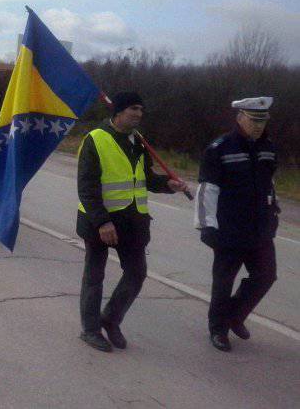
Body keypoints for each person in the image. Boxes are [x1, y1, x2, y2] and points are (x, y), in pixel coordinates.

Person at [76, 91, 188, 352]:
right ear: (118, 112)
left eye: (141, 109)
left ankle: (111, 318)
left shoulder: (138, 140)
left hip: (132, 222)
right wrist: (103, 222)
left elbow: (144, 178)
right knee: (94, 276)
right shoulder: (95, 140)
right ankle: (90, 330)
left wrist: (167, 184)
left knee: (137, 273)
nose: (139, 114)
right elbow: (87, 187)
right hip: (99, 222)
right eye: (133, 109)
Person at [194, 97, 279, 352]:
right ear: (240, 117)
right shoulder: (220, 148)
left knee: (266, 275)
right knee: (223, 281)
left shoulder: (268, 147)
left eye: (262, 121)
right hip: (229, 227)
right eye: (254, 120)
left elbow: (269, 183)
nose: (258, 126)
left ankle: (234, 315)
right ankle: (218, 329)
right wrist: (207, 226)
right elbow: (207, 189)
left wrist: (273, 211)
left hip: (260, 227)